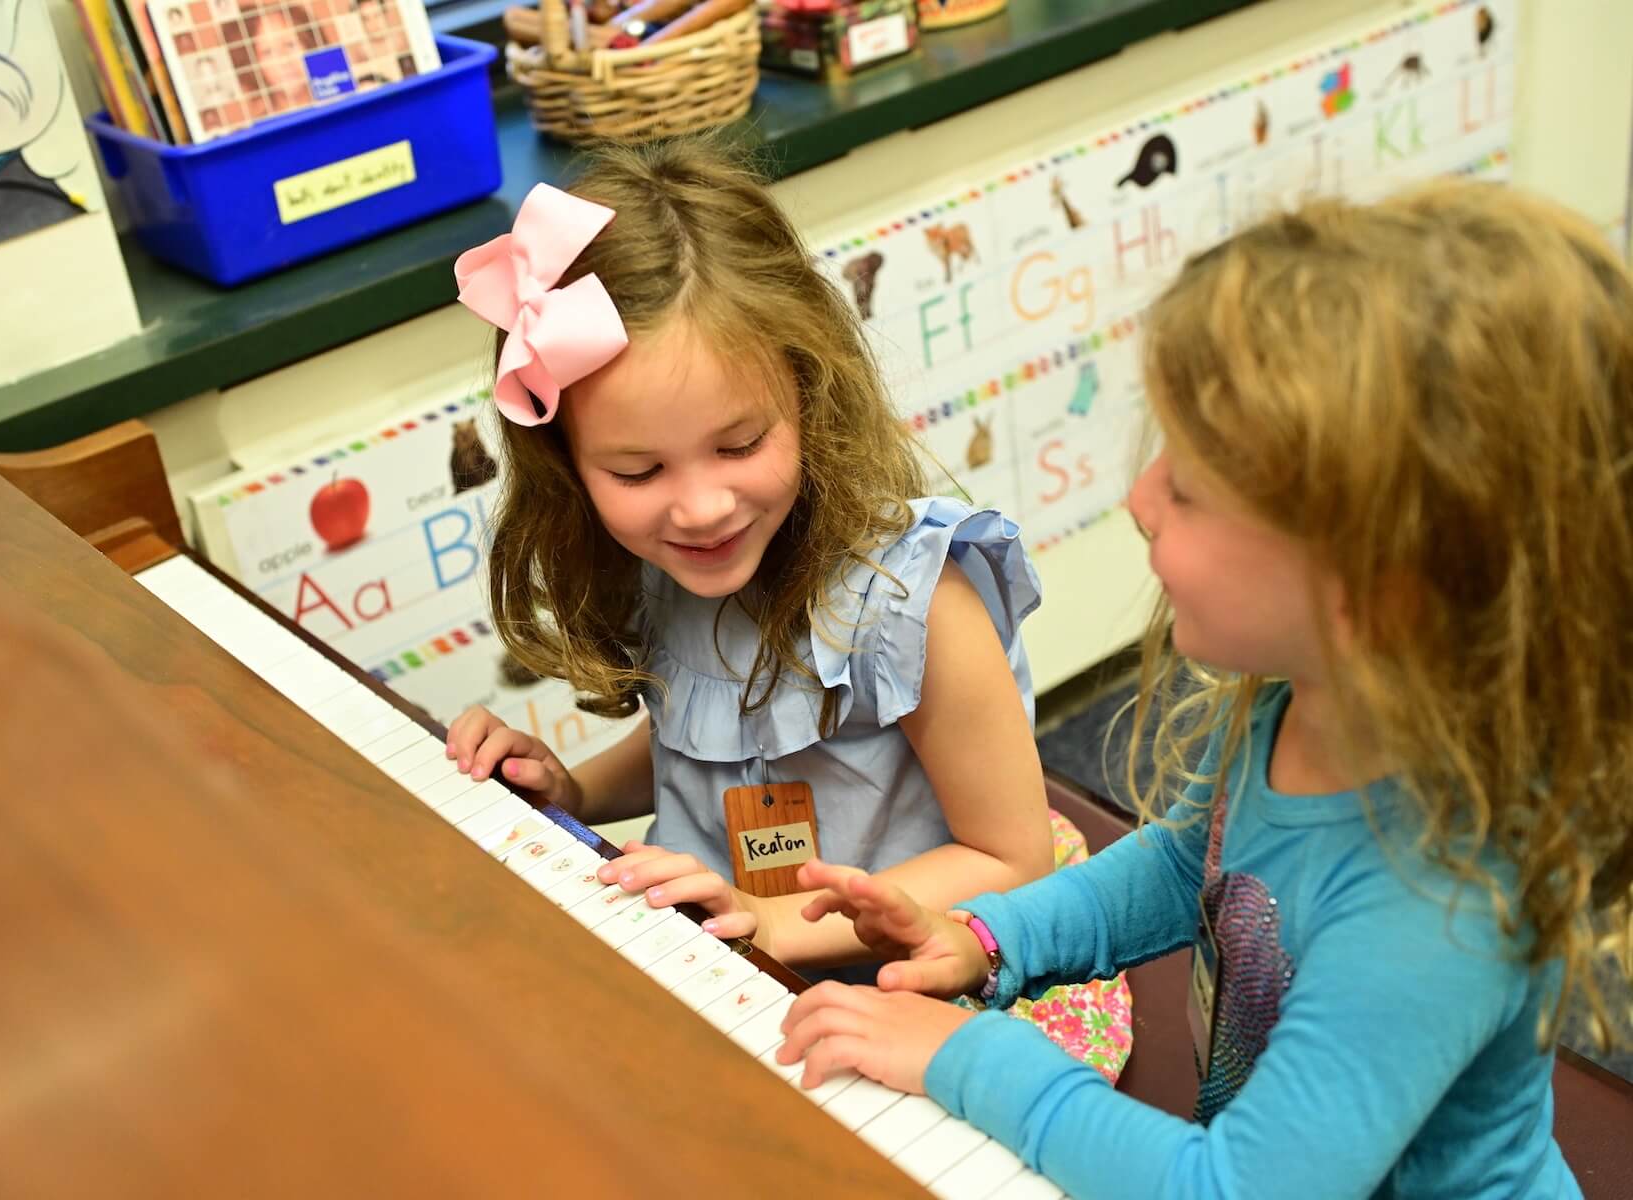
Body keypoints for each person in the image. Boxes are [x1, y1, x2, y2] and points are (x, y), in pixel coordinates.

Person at [773, 179, 1633, 1197]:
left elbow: (1231, 1190)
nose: (1139, 502)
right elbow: (1197, 861)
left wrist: (967, 1058)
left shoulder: (1434, 910)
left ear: (1376, 585)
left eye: (1188, 488)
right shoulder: (1308, 704)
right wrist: (990, 939)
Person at [443, 140, 1064, 980]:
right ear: (566, 464)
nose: (700, 508)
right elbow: (704, 735)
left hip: (907, 981)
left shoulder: (913, 601)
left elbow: (1014, 862)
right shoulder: (668, 564)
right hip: (727, 964)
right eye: (637, 471)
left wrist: (769, 923)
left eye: (739, 444)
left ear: (808, 390)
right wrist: (576, 793)